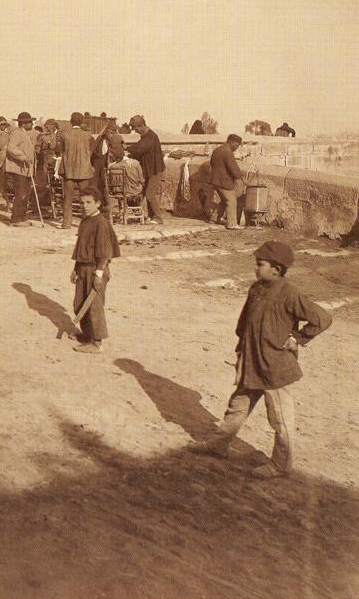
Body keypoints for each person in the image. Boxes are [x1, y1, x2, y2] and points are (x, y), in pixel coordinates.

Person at [187, 241, 332, 478]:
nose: (255, 268)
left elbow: (322, 319)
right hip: (252, 360)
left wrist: (297, 339)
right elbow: (244, 324)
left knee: (280, 417)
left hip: (275, 366)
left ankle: (281, 463)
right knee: (238, 405)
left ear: (276, 268)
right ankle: (219, 444)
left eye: (260, 264)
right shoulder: (256, 289)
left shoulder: (290, 294)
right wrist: (240, 351)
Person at [70, 188, 120, 354]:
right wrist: (76, 268)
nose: (84, 206)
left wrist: (99, 275)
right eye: (82, 202)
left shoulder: (101, 223)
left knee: (94, 305)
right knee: (80, 302)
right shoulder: (85, 221)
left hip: (96, 269)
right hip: (83, 268)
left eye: (88, 202)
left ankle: (96, 341)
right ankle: (87, 335)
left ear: (97, 203)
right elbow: (81, 247)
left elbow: (105, 252)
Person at [127, 115, 167, 225]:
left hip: (156, 170)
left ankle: (158, 218)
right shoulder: (145, 137)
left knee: (150, 194)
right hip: (149, 170)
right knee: (143, 193)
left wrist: (126, 150)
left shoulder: (151, 137)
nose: (135, 131)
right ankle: (150, 216)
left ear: (142, 125)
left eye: (136, 128)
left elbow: (140, 148)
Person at [58, 112, 95, 229]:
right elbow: (92, 150)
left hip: (69, 171)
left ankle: (66, 223)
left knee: (67, 198)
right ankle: (87, 222)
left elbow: (59, 149)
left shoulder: (65, 135)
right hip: (84, 171)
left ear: (71, 121)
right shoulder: (88, 135)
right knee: (86, 199)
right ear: (82, 121)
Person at [5, 112, 38, 226]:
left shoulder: (25, 133)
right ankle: (15, 219)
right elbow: (11, 148)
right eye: (29, 122)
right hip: (19, 169)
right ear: (23, 124)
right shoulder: (17, 133)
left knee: (26, 194)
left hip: (26, 170)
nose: (32, 123)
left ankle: (23, 217)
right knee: (20, 194)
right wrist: (23, 157)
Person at [209, 133, 246, 229]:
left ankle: (214, 218)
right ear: (233, 142)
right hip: (223, 181)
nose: (237, 148)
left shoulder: (218, 150)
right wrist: (242, 179)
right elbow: (233, 168)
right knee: (231, 201)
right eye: (237, 145)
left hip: (215, 180)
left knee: (224, 200)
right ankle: (232, 224)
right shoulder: (227, 151)